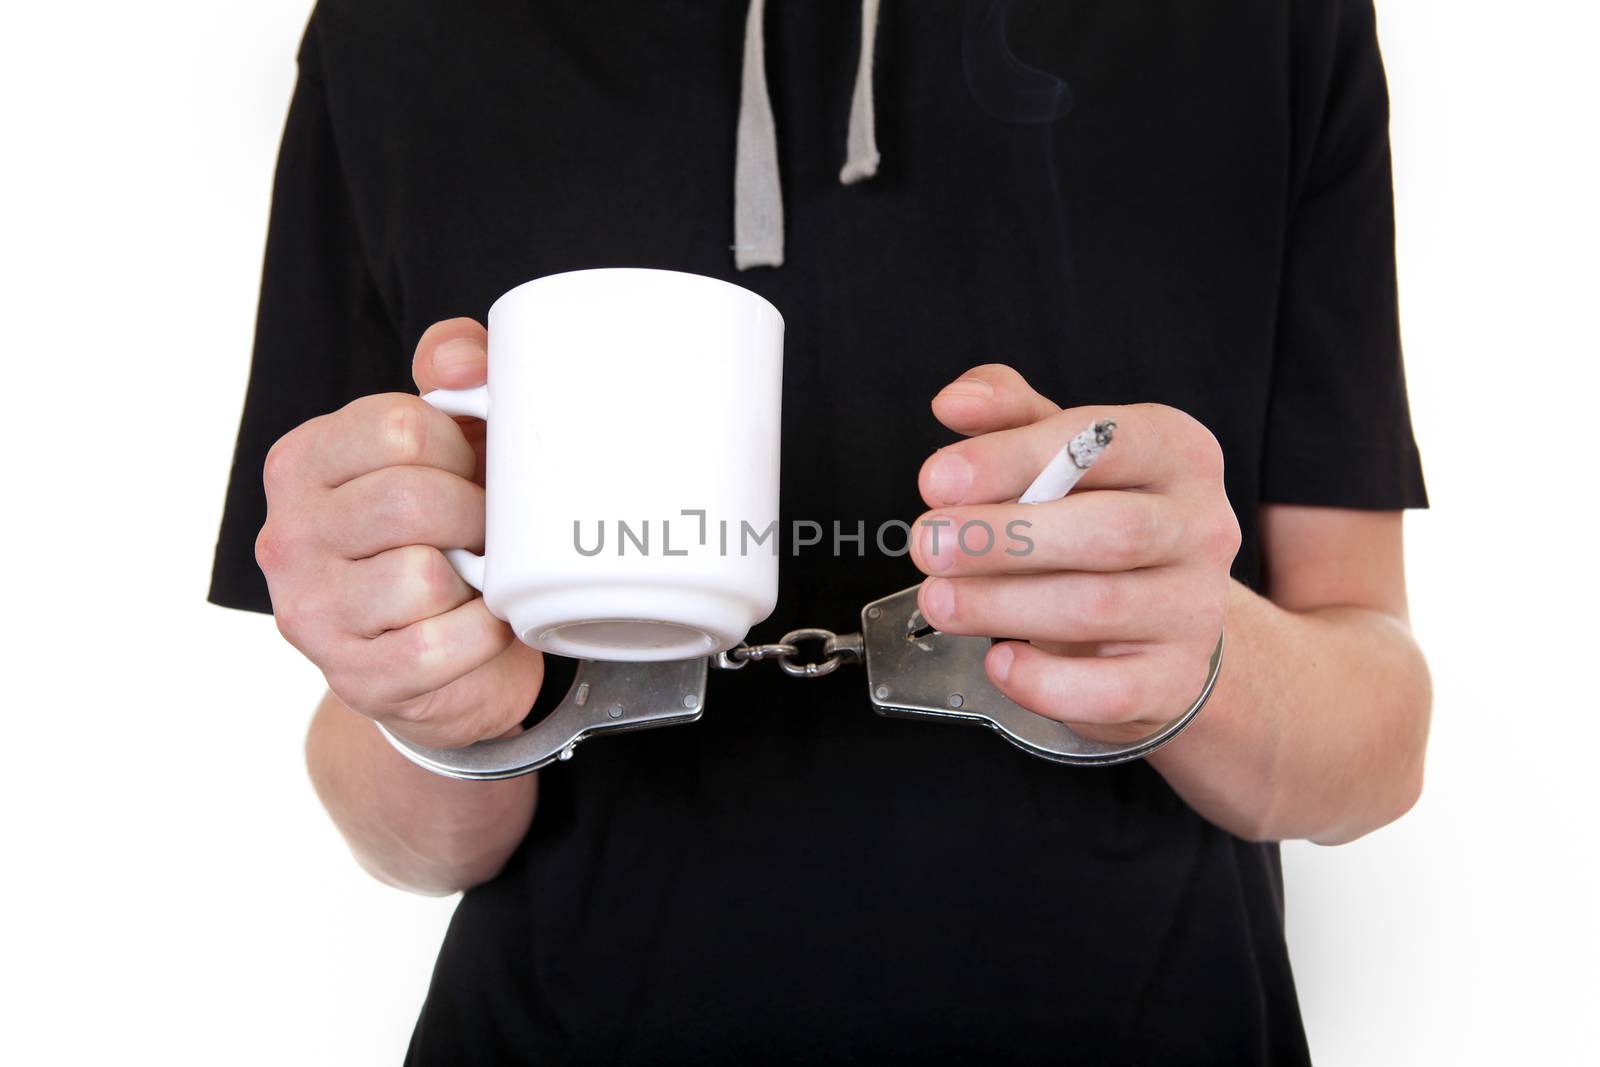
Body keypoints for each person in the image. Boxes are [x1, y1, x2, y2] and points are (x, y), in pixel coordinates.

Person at [209, 1, 1431, 1062]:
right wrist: (425, 701)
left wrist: (1190, 650)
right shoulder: (396, 32)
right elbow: (398, 834)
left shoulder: (1264, 21)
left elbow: (1376, 746)